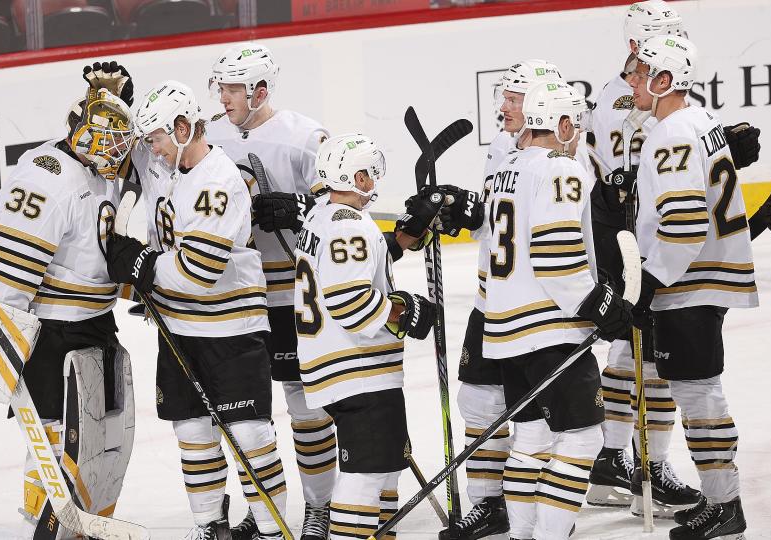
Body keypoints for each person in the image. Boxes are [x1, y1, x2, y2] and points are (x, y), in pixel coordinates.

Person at [106, 79, 288, 540]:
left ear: (184, 128)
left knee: (250, 438)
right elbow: (119, 153)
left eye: (157, 139)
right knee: (193, 434)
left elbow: (197, 271)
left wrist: (141, 264)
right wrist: (113, 99)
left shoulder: (218, 180)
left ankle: (272, 531)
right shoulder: (165, 162)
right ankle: (210, 526)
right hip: (178, 327)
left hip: (230, 329)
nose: (151, 149)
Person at [0, 64, 137, 539]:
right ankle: (48, 529)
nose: (116, 152)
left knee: (102, 443)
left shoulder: (99, 165)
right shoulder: (48, 175)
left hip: (96, 323)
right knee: (57, 444)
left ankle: (83, 529)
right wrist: (7, 346)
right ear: (81, 133)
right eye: (105, 140)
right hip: (52, 332)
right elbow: (8, 271)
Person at [480, 80, 632, 540]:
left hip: (506, 329)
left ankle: (523, 535)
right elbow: (556, 255)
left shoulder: (507, 165)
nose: (579, 135)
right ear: (562, 124)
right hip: (551, 329)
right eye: (577, 125)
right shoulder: (562, 169)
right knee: (583, 437)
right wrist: (599, 304)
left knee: (530, 441)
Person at [424, 59, 564, 540]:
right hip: (491, 299)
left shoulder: (560, 156)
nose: (502, 106)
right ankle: (491, 505)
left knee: (540, 417)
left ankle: (543, 499)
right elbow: (495, 217)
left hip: (534, 309)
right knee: (478, 400)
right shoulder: (506, 146)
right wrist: (458, 208)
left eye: (513, 98)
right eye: (502, 96)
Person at [203, 42, 335, 540]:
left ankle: (319, 507)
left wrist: (298, 208)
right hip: (238, 300)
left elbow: (340, 209)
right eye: (220, 87)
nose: (223, 97)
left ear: (260, 91)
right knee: (246, 416)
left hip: (292, 299)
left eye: (233, 88)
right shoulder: (212, 136)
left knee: (305, 408)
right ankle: (264, 510)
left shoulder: (305, 137)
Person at [629, 34, 757, 540]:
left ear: (665, 81)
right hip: (703, 279)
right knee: (696, 390)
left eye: (641, 75)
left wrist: (648, 283)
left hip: (688, 282)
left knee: (698, 393)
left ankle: (725, 505)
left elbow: (682, 224)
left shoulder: (671, 133)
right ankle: (719, 497)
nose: (633, 83)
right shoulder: (699, 120)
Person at [585, 0, 701, 514]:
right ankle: (632, 462)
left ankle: (621, 459)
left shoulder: (631, 90)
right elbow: (623, 182)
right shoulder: (622, 100)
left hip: (628, 228)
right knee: (644, 346)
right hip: (626, 233)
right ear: (636, 44)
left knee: (639, 348)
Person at [294, 133, 440, 540]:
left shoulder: (323, 215)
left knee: (386, 468)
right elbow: (351, 303)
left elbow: (346, 267)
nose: (374, 182)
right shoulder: (351, 227)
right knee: (366, 476)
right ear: (357, 176)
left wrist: (403, 238)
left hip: (340, 370)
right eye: (370, 174)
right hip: (358, 372)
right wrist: (404, 310)